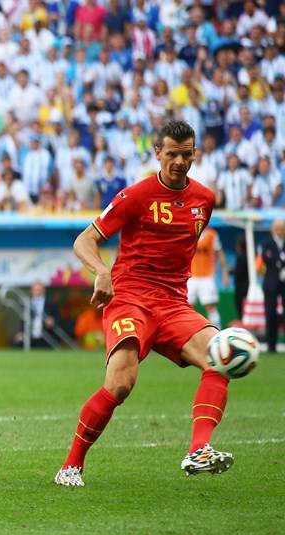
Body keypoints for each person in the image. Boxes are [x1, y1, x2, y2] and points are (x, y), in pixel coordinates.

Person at [55, 120, 234, 487]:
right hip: (130, 299)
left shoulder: (204, 200)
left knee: (221, 355)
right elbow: (84, 240)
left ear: (195, 153)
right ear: (157, 153)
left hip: (172, 303)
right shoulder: (135, 195)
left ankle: (199, 450)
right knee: (120, 383)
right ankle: (71, 465)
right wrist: (102, 272)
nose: (179, 162)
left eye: (186, 155)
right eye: (172, 154)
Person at [187, 227, 229, 327]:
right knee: (187, 307)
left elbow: (220, 253)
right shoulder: (190, 232)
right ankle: (190, 332)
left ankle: (217, 332)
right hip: (191, 276)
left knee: (210, 307)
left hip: (207, 277)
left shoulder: (212, 234)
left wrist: (225, 273)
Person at [260, 219, 285, 353]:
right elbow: (267, 259)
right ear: (273, 230)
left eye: (282, 228)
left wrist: (278, 260)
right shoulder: (266, 243)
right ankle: (271, 345)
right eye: (278, 228)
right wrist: (280, 260)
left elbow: (274, 259)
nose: (280, 231)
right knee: (270, 314)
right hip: (271, 283)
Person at [12, 281, 60, 348]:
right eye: (36, 290)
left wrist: (52, 321)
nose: (38, 292)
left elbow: (57, 318)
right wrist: (21, 332)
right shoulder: (26, 304)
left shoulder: (51, 303)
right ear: (31, 291)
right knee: (17, 343)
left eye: (40, 290)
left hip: (46, 336)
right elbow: (23, 320)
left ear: (44, 291)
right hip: (29, 336)